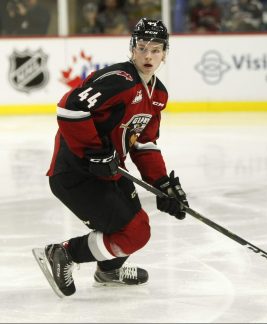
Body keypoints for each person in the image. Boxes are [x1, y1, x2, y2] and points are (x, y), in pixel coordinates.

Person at [33, 18, 189, 297]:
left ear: (165, 53)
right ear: (132, 49)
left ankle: (108, 271)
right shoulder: (120, 81)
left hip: (110, 172)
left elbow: (144, 142)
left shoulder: (158, 94)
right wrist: (94, 151)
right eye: (142, 48)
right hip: (76, 174)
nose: (148, 56)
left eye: (156, 49)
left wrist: (163, 183)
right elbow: (70, 108)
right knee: (133, 232)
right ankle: (63, 253)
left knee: (137, 225)